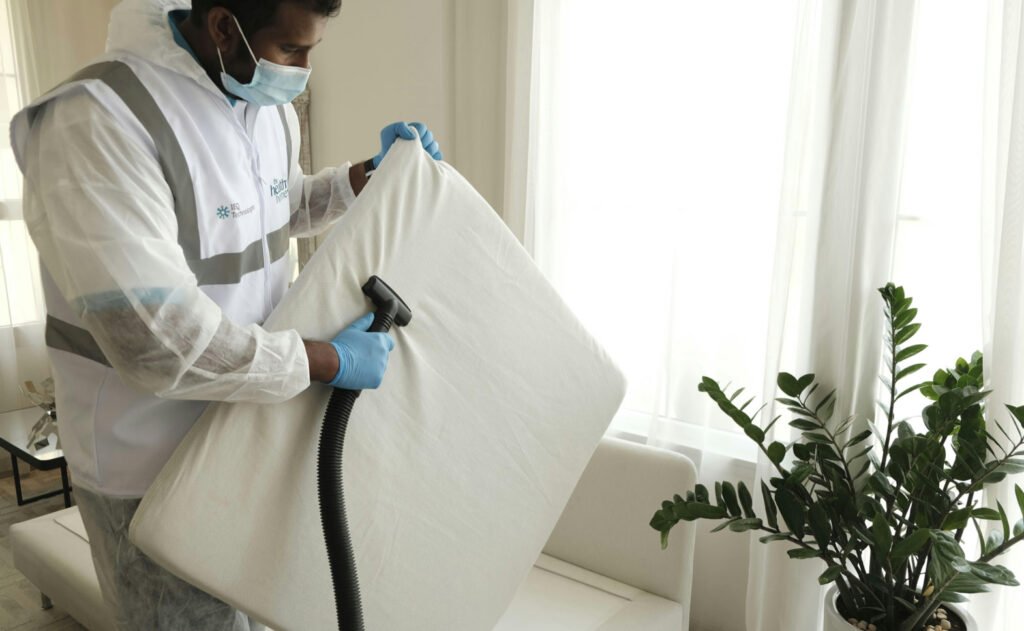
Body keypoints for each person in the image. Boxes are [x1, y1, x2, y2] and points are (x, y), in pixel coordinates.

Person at [9, 0, 443, 628]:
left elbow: (279, 210)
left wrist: (361, 179)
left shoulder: (262, 105)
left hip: (253, 433)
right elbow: (155, 342)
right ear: (222, 26)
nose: (303, 70)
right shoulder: (98, 121)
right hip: (148, 463)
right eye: (291, 49)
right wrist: (323, 360)